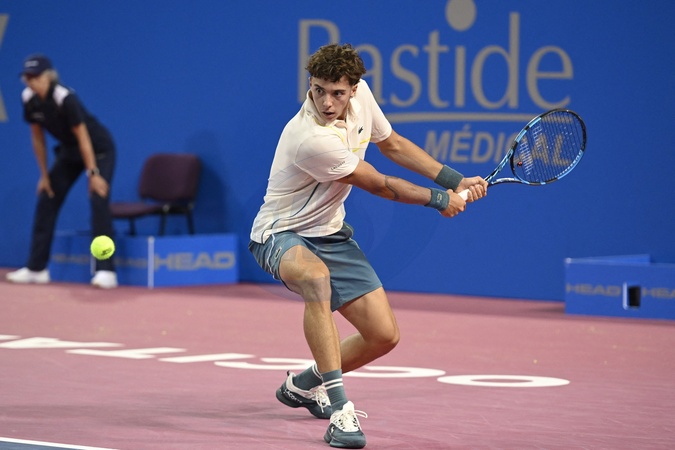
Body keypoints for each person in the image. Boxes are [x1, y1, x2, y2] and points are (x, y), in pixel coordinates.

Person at [249, 43, 487, 448]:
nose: (326, 102)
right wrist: (439, 200)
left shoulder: (363, 99)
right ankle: (339, 411)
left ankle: (304, 384)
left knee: (383, 335)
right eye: (318, 90)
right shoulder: (310, 137)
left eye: (337, 93)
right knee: (316, 280)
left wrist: (453, 180)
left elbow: (393, 144)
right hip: (280, 233)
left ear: (354, 90)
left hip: (330, 233)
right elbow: (379, 185)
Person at [6, 54, 118, 289]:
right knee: (47, 197)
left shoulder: (64, 97)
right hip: (69, 151)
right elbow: (37, 138)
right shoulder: (28, 98)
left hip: (98, 149)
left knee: (98, 199)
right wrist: (44, 176)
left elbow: (84, 137)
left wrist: (93, 174)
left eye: (35, 77)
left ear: (48, 77)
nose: (31, 81)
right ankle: (37, 269)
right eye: (27, 77)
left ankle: (105, 271)